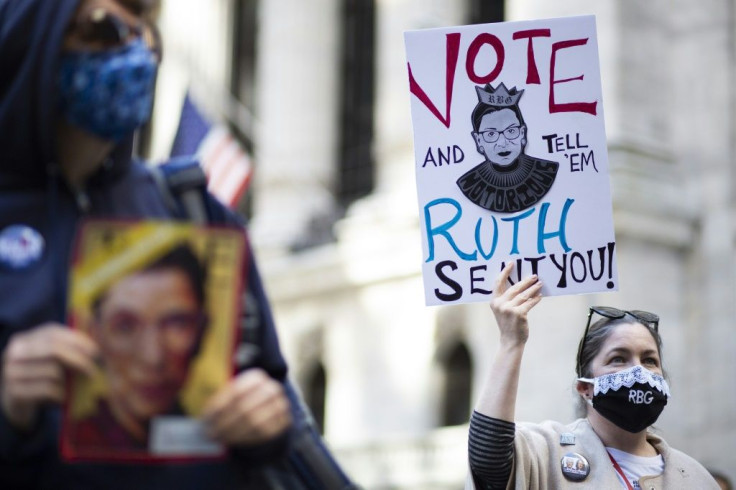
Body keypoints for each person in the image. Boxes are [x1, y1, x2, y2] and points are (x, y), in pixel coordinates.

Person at [0, 0, 354, 488]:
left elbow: (269, 394)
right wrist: (9, 413)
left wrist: (265, 423)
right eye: (103, 28)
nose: (136, 49)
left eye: (147, 28)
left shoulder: (192, 208)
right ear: (30, 34)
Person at [466, 262, 719, 489]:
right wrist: (512, 341)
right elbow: (488, 459)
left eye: (649, 360)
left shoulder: (697, 478)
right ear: (585, 387)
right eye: (618, 359)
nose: (638, 371)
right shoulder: (545, 452)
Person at [67, 243, 210, 454]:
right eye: (125, 326)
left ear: (202, 330)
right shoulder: (72, 440)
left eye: (177, 324)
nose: (153, 357)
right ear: (94, 334)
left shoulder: (219, 436)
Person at [456, 83, 558, 214]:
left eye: (511, 131)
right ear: (478, 140)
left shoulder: (547, 172)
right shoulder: (468, 184)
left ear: (522, 133)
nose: (502, 143)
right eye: (491, 134)